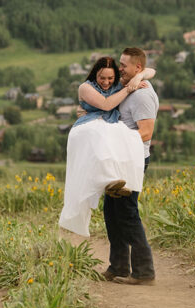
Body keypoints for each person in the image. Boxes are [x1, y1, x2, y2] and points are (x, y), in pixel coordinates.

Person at [58, 56, 153, 236]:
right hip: (88, 126)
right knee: (103, 138)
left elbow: (151, 71)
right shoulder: (85, 87)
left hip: (108, 125)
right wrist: (128, 89)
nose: (107, 82)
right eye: (102, 78)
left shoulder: (119, 84)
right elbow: (106, 104)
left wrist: (137, 78)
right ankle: (109, 181)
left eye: (110, 78)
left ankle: (114, 181)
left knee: (117, 137)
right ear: (95, 73)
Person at [103, 46, 158, 285]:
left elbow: (145, 133)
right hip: (119, 160)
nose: (119, 68)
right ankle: (119, 267)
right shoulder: (131, 87)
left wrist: (115, 140)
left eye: (124, 65)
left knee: (127, 214)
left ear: (137, 67)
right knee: (112, 213)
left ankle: (144, 272)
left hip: (132, 160)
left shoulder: (143, 94)